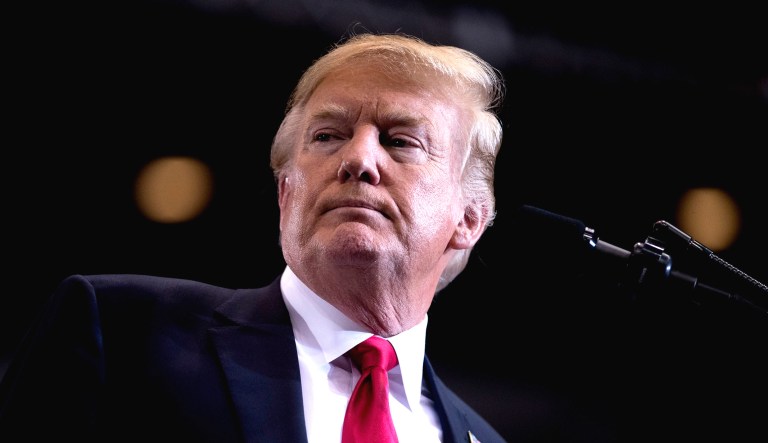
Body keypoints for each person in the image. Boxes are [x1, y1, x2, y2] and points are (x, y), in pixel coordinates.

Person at [0, 32, 508, 442]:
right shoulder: (121, 330)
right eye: (327, 136)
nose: (357, 159)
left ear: (468, 219)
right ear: (286, 193)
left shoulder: (481, 438)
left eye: (400, 141)